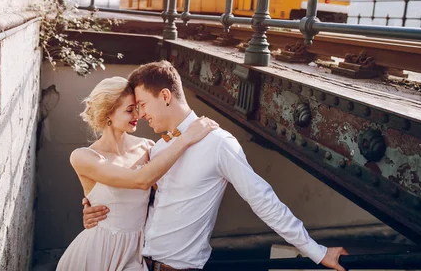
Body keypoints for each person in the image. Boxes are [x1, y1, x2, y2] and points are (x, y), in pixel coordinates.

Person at [82, 62, 348, 271]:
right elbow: (137, 193)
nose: (140, 115)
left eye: (142, 105)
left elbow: (263, 200)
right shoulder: (160, 148)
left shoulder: (219, 143)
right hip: (137, 263)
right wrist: (93, 208)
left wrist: (317, 251)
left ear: (165, 95)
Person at [57, 76, 218, 271]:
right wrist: (186, 139)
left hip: (137, 252)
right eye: (129, 110)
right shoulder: (83, 157)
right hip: (99, 251)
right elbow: (140, 180)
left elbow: (162, 194)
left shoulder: (148, 147)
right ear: (108, 113)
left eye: (137, 107)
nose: (138, 114)